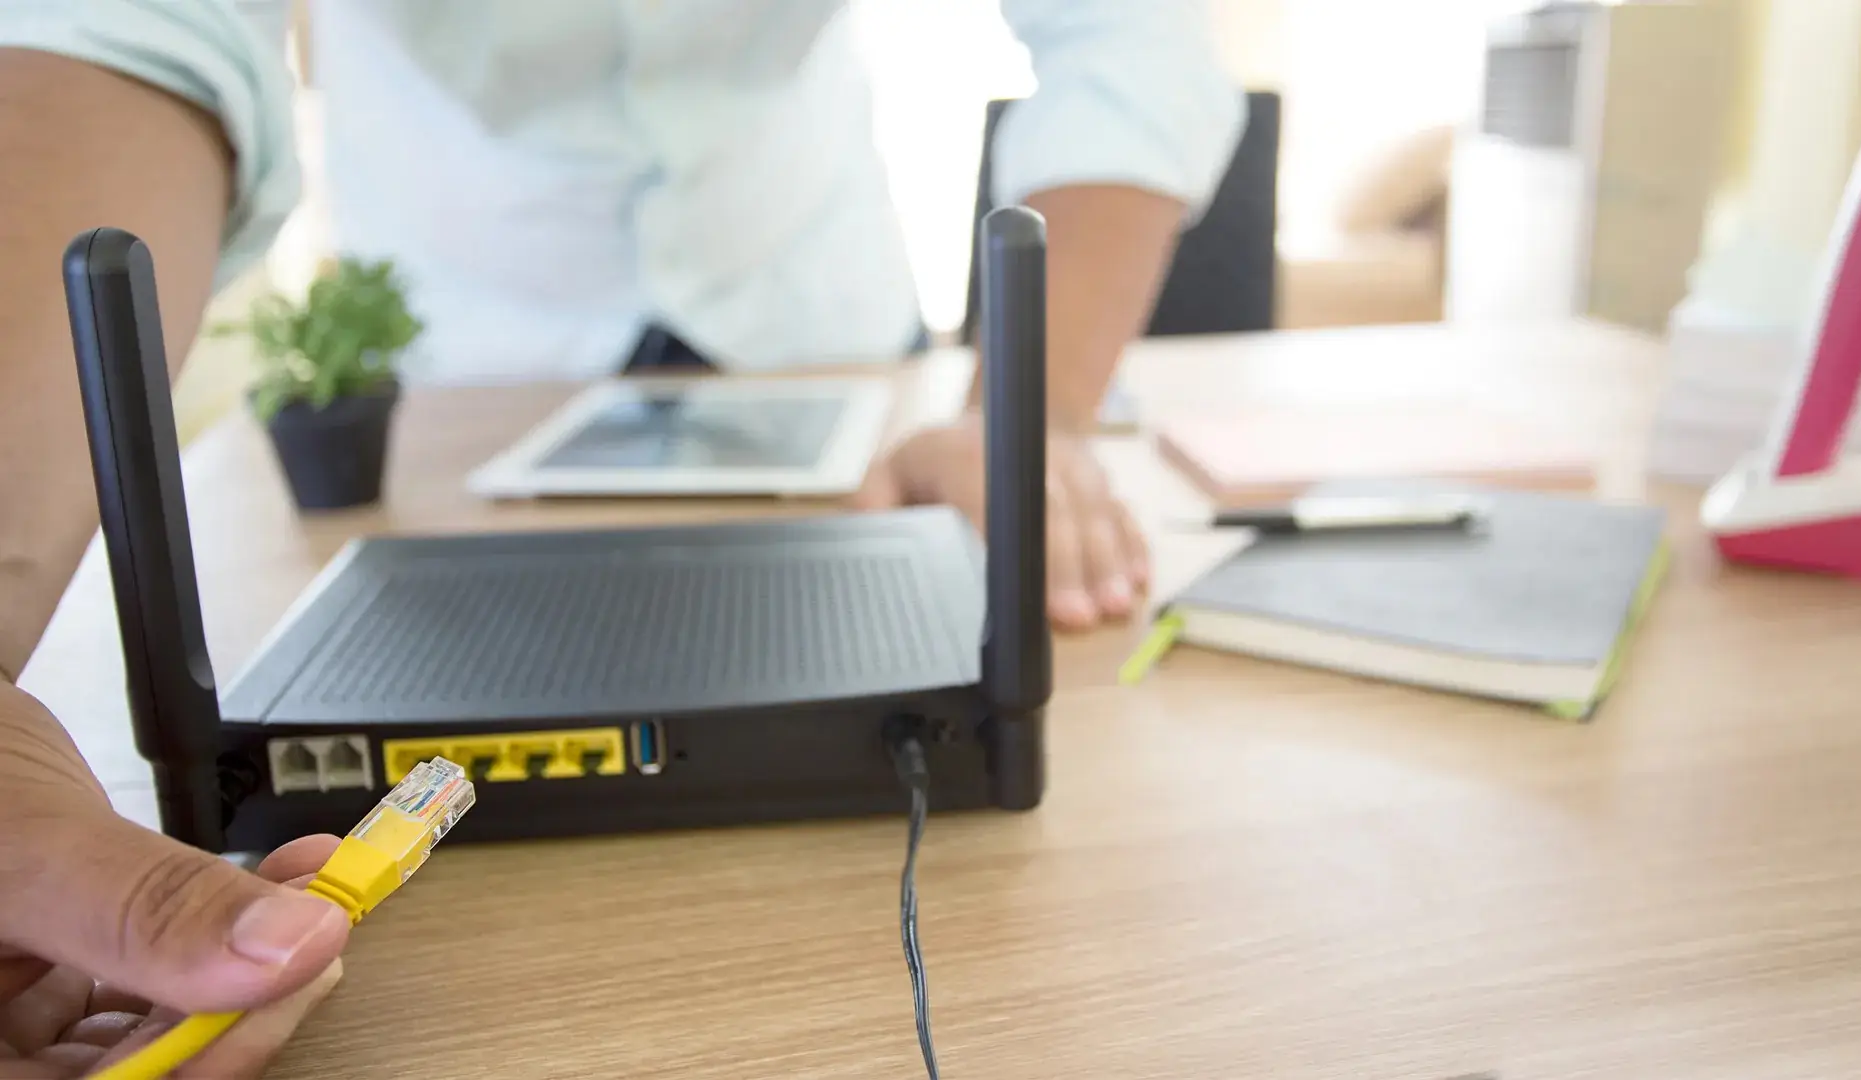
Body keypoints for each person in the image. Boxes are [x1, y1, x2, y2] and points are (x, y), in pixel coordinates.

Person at [0, 2, 1244, 1074]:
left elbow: (1128, 34)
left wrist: (1024, 418)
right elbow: (121, 29)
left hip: (810, 317)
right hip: (474, 361)